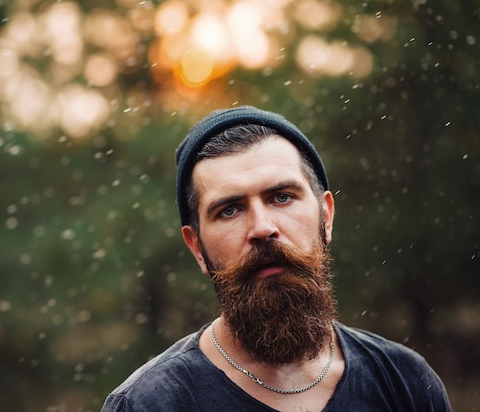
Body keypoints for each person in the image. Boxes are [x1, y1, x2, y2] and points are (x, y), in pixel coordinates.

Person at [101, 106, 452, 411]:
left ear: (325, 217)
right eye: (229, 210)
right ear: (197, 249)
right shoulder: (149, 404)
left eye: (282, 197)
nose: (262, 228)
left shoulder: (406, 383)